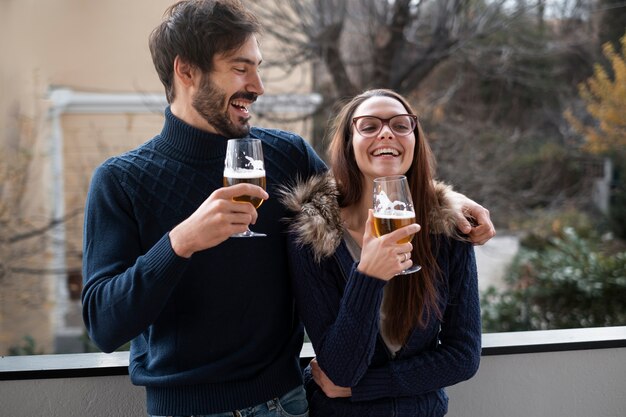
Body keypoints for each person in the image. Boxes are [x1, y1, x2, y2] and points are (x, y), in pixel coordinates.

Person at [81, 1, 493, 416]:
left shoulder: (285, 155)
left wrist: (445, 200)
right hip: (187, 408)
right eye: (241, 68)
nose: (257, 85)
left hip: (287, 404)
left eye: (257, 67)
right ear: (186, 71)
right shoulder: (121, 180)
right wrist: (182, 241)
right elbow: (104, 325)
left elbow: (357, 192)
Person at [281, 89, 482, 417]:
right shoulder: (311, 236)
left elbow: (463, 357)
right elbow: (340, 370)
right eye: (369, 126)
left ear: (414, 142)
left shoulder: (447, 231)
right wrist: (368, 276)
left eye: (401, 125)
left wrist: (366, 388)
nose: (387, 132)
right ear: (349, 144)